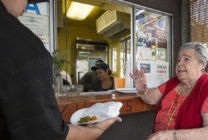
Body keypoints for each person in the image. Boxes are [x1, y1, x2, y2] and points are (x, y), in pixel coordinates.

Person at [0, 0, 121, 139]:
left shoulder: (115, 82)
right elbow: (47, 134)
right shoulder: (24, 49)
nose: (26, 5)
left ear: (107, 71)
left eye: (100, 71)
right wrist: (96, 130)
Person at [130, 42, 208, 140]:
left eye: (186, 59)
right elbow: (152, 98)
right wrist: (142, 90)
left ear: (203, 64)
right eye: (178, 60)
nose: (179, 63)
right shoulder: (174, 82)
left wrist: (171, 136)